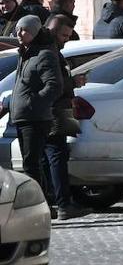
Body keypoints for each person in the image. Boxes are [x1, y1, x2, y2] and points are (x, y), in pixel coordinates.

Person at [6, 16, 63, 203]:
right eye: (19, 29)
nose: (20, 34)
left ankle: (39, 205)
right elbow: (22, 86)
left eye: (25, 30)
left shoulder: (43, 54)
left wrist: (33, 103)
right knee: (31, 164)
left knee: (32, 165)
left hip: (35, 118)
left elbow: (54, 86)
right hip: (24, 117)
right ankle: (42, 203)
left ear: (35, 32)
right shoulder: (25, 53)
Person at [41, 14, 89, 220]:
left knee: (49, 158)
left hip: (51, 111)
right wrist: (74, 82)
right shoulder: (48, 52)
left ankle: (55, 202)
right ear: (52, 30)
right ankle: (63, 204)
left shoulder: (47, 49)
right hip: (53, 112)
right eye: (64, 35)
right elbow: (53, 84)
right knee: (56, 157)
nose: (66, 39)